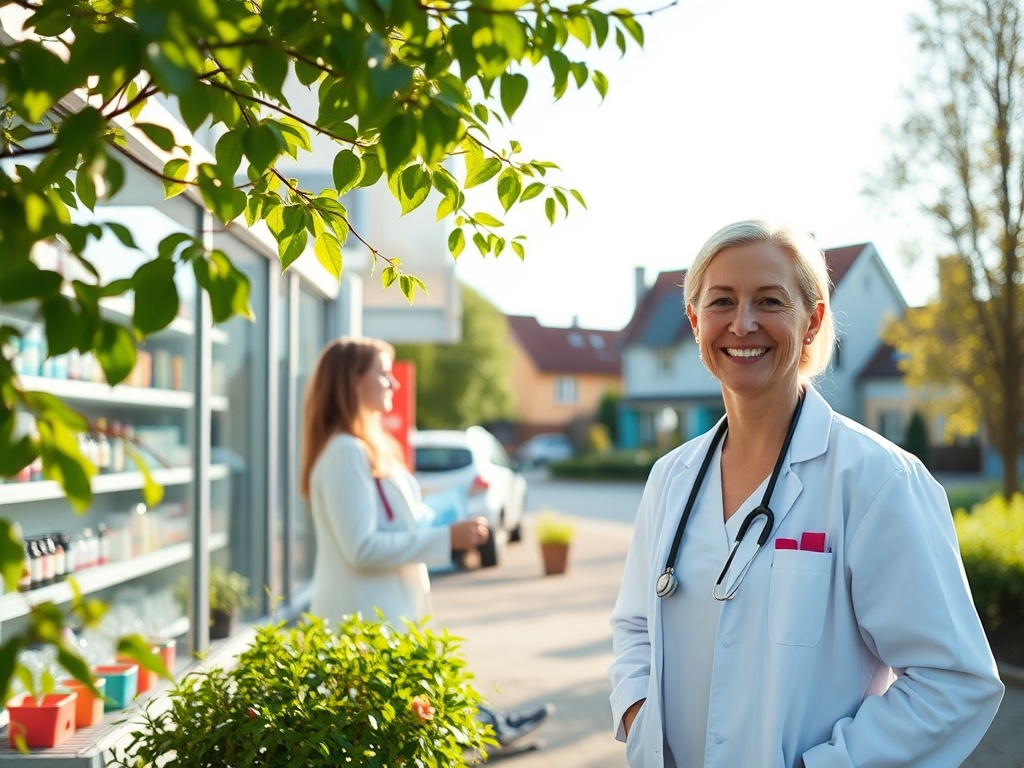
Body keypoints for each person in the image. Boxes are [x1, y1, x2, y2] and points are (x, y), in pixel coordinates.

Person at [609, 220, 1004, 768]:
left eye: (769, 301)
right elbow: (635, 626)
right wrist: (638, 718)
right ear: (695, 321)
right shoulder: (670, 478)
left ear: (812, 320)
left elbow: (954, 682)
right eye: (722, 301)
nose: (743, 323)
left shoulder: (878, 480)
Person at [299, 336, 552, 747]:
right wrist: (446, 538)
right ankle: (489, 730)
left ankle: (491, 727)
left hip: (383, 616)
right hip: (367, 622)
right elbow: (360, 548)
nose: (393, 383)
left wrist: (445, 519)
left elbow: (393, 523)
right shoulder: (346, 452)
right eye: (383, 373)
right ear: (353, 382)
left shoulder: (362, 447)